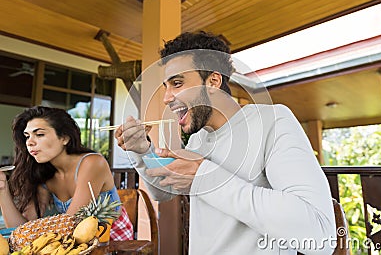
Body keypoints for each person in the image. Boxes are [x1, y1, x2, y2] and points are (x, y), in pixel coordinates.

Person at [115, 31, 336, 254]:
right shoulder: (198, 138)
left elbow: (320, 236)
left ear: (213, 81)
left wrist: (205, 176)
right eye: (166, 86)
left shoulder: (273, 121)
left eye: (178, 83)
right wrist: (142, 150)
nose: (166, 97)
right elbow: (165, 191)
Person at [0, 106, 133, 241]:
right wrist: (3, 189)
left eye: (39, 134)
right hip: (74, 242)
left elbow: (71, 222)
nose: (30, 142)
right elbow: (20, 230)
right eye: (27, 136)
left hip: (113, 242)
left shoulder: (92, 163)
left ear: (64, 138)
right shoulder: (45, 175)